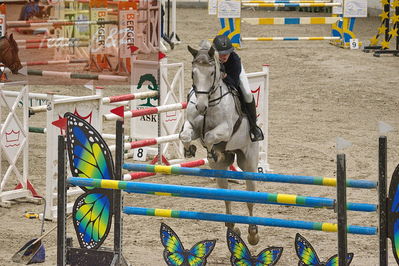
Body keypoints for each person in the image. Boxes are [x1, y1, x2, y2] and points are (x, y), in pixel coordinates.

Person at [212, 35, 264, 142]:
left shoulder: (234, 61)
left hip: (233, 77)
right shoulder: (210, 59)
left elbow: (234, 83)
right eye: (221, 54)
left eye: (227, 53)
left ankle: (254, 127)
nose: (224, 56)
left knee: (248, 93)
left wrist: (224, 76)